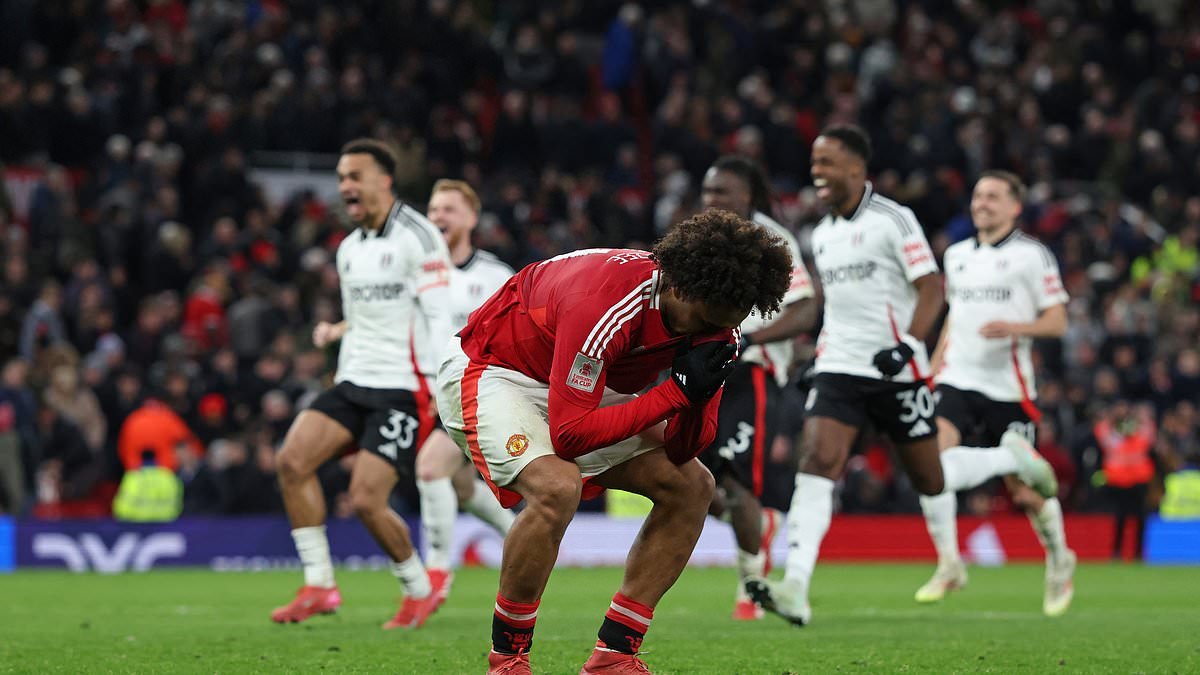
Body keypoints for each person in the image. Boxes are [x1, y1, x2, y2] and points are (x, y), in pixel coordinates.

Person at [436, 210, 792, 674]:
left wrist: (697, 397)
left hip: (575, 383)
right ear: (680, 287)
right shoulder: (608, 300)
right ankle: (508, 659)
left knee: (692, 487)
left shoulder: (717, 318)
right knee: (556, 486)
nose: (714, 334)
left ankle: (614, 655)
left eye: (728, 324)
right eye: (706, 321)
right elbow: (569, 434)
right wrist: (674, 393)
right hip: (494, 370)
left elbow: (686, 447)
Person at [748, 126, 1056, 626]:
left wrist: (909, 345)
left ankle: (1004, 461)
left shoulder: (894, 219)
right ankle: (796, 587)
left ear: (855, 168)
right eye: (814, 164)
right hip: (841, 368)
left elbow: (931, 289)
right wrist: (819, 357)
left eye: (827, 163)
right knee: (818, 458)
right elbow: (839, 307)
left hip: (897, 371)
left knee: (930, 475)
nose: (817, 173)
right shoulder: (823, 234)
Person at [270, 139, 454, 629]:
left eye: (355, 176)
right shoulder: (349, 249)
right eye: (341, 178)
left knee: (368, 498)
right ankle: (320, 585)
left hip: (404, 387)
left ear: (384, 181)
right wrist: (337, 339)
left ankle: (417, 590)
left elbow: (438, 316)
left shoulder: (418, 235)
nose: (346, 187)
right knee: (292, 461)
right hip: (354, 380)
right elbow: (366, 318)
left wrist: (441, 381)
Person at [916, 170, 1076, 617]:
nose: (981, 203)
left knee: (1025, 493)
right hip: (957, 378)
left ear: (1014, 207)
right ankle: (949, 563)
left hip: (1009, 387)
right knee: (931, 464)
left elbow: (1058, 321)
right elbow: (956, 315)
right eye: (978, 195)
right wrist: (933, 365)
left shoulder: (1032, 256)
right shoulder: (958, 255)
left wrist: (1015, 326)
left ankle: (1060, 558)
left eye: (992, 196)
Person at [697, 156, 816, 620]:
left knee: (735, 479)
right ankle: (758, 527)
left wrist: (747, 337)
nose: (711, 201)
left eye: (720, 193)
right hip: (701, 369)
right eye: (707, 193)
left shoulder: (772, 240)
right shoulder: (702, 241)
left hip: (751, 372)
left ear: (746, 196)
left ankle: (751, 587)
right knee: (690, 478)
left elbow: (804, 309)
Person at [414, 179, 516, 608]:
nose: (438, 216)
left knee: (431, 468)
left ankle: (436, 571)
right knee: (457, 485)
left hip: (478, 389)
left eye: (449, 209)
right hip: (426, 391)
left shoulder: (495, 276)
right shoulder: (417, 273)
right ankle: (522, 536)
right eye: (434, 209)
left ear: (471, 218)